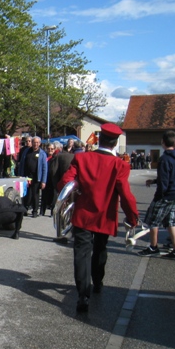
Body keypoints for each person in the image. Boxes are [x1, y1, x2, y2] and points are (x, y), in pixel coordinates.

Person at [57, 123, 139, 313]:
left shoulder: (82, 158)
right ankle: (98, 282)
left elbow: (65, 182)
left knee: (82, 253)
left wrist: (74, 191)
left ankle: (83, 295)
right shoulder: (120, 165)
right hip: (105, 216)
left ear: (99, 139)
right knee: (100, 249)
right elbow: (126, 194)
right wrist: (132, 218)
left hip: (83, 214)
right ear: (115, 143)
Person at [137, 130, 175, 260]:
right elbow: (173, 176)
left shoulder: (165, 159)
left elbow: (164, 181)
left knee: (153, 221)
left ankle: (153, 247)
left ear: (163, 142)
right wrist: (154, 181)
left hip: (166, 195)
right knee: (171, 222)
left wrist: (158, 196)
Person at [17, 136, 47, 217]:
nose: (35, 144)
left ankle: (35, 211)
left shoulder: (42, 154)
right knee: (26, 194)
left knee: (35, 195)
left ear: (39, 144)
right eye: (34, 142)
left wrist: (43, 181)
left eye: (37, 143)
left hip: (36, 177)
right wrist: (20, 175)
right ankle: (25, 209)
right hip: (26, 176)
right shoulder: (26, 151)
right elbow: (21, 164)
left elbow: (44, 168)